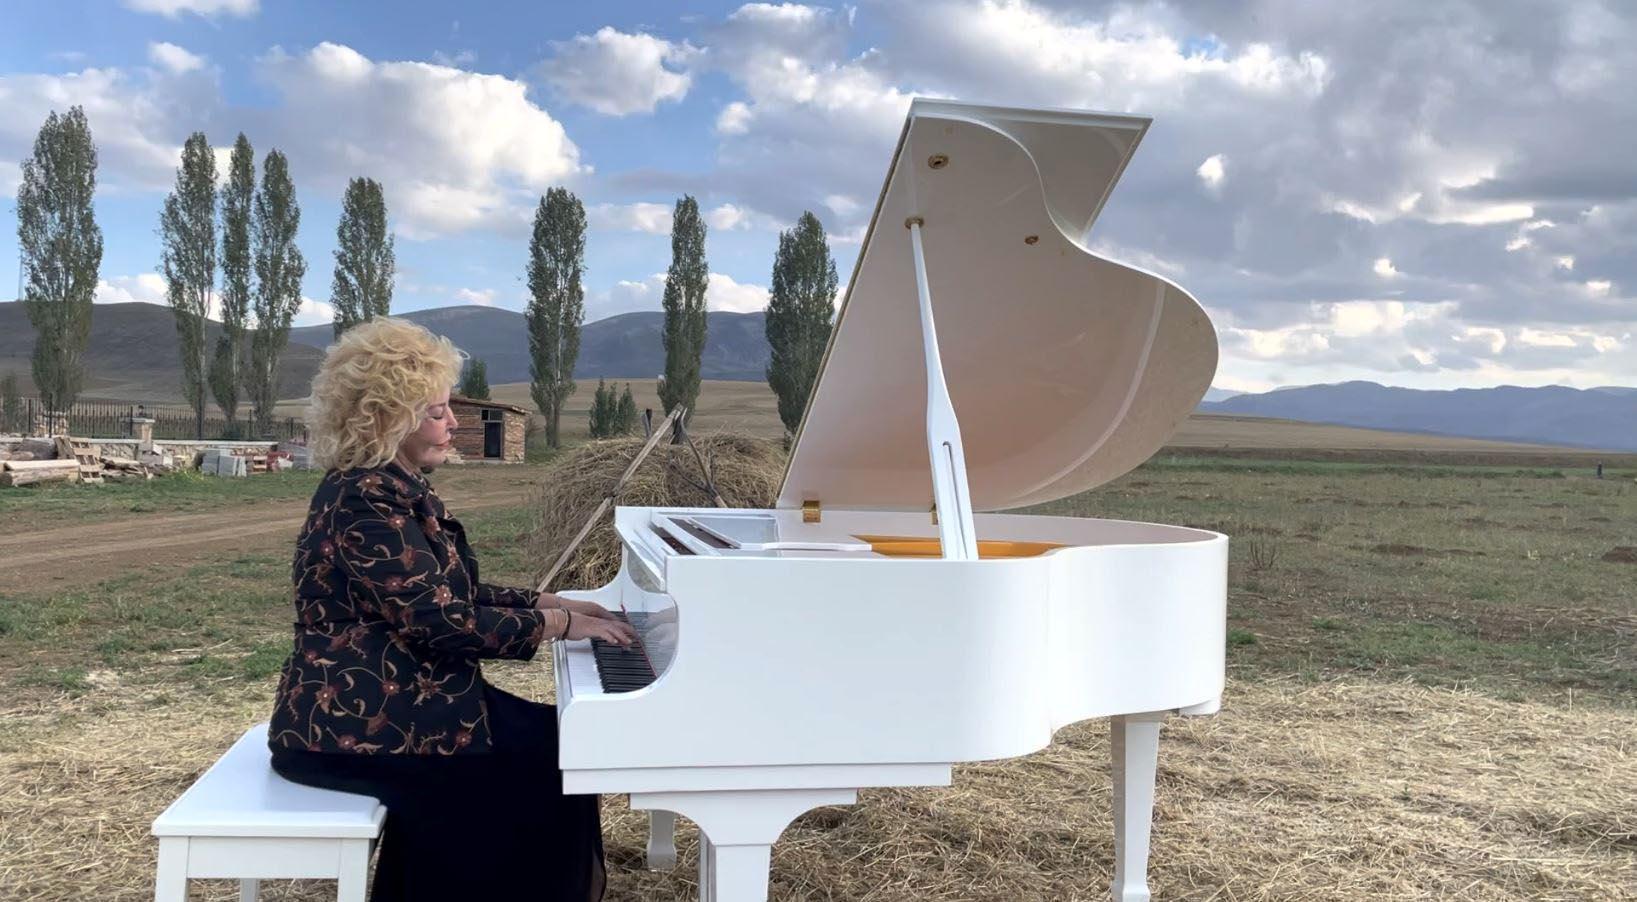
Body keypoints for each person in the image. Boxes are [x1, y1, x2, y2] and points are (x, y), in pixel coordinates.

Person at [265, 317, 636, 901]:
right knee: (554, 760)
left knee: (558, 746)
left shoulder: (394, 487)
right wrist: (559, 626)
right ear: (390, 417)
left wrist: (549, 601)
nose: (455, 423)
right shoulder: (366, 500)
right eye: (439, 412)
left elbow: (452, 592)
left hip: (406, 700)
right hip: (355, 725)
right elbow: (442, 621)